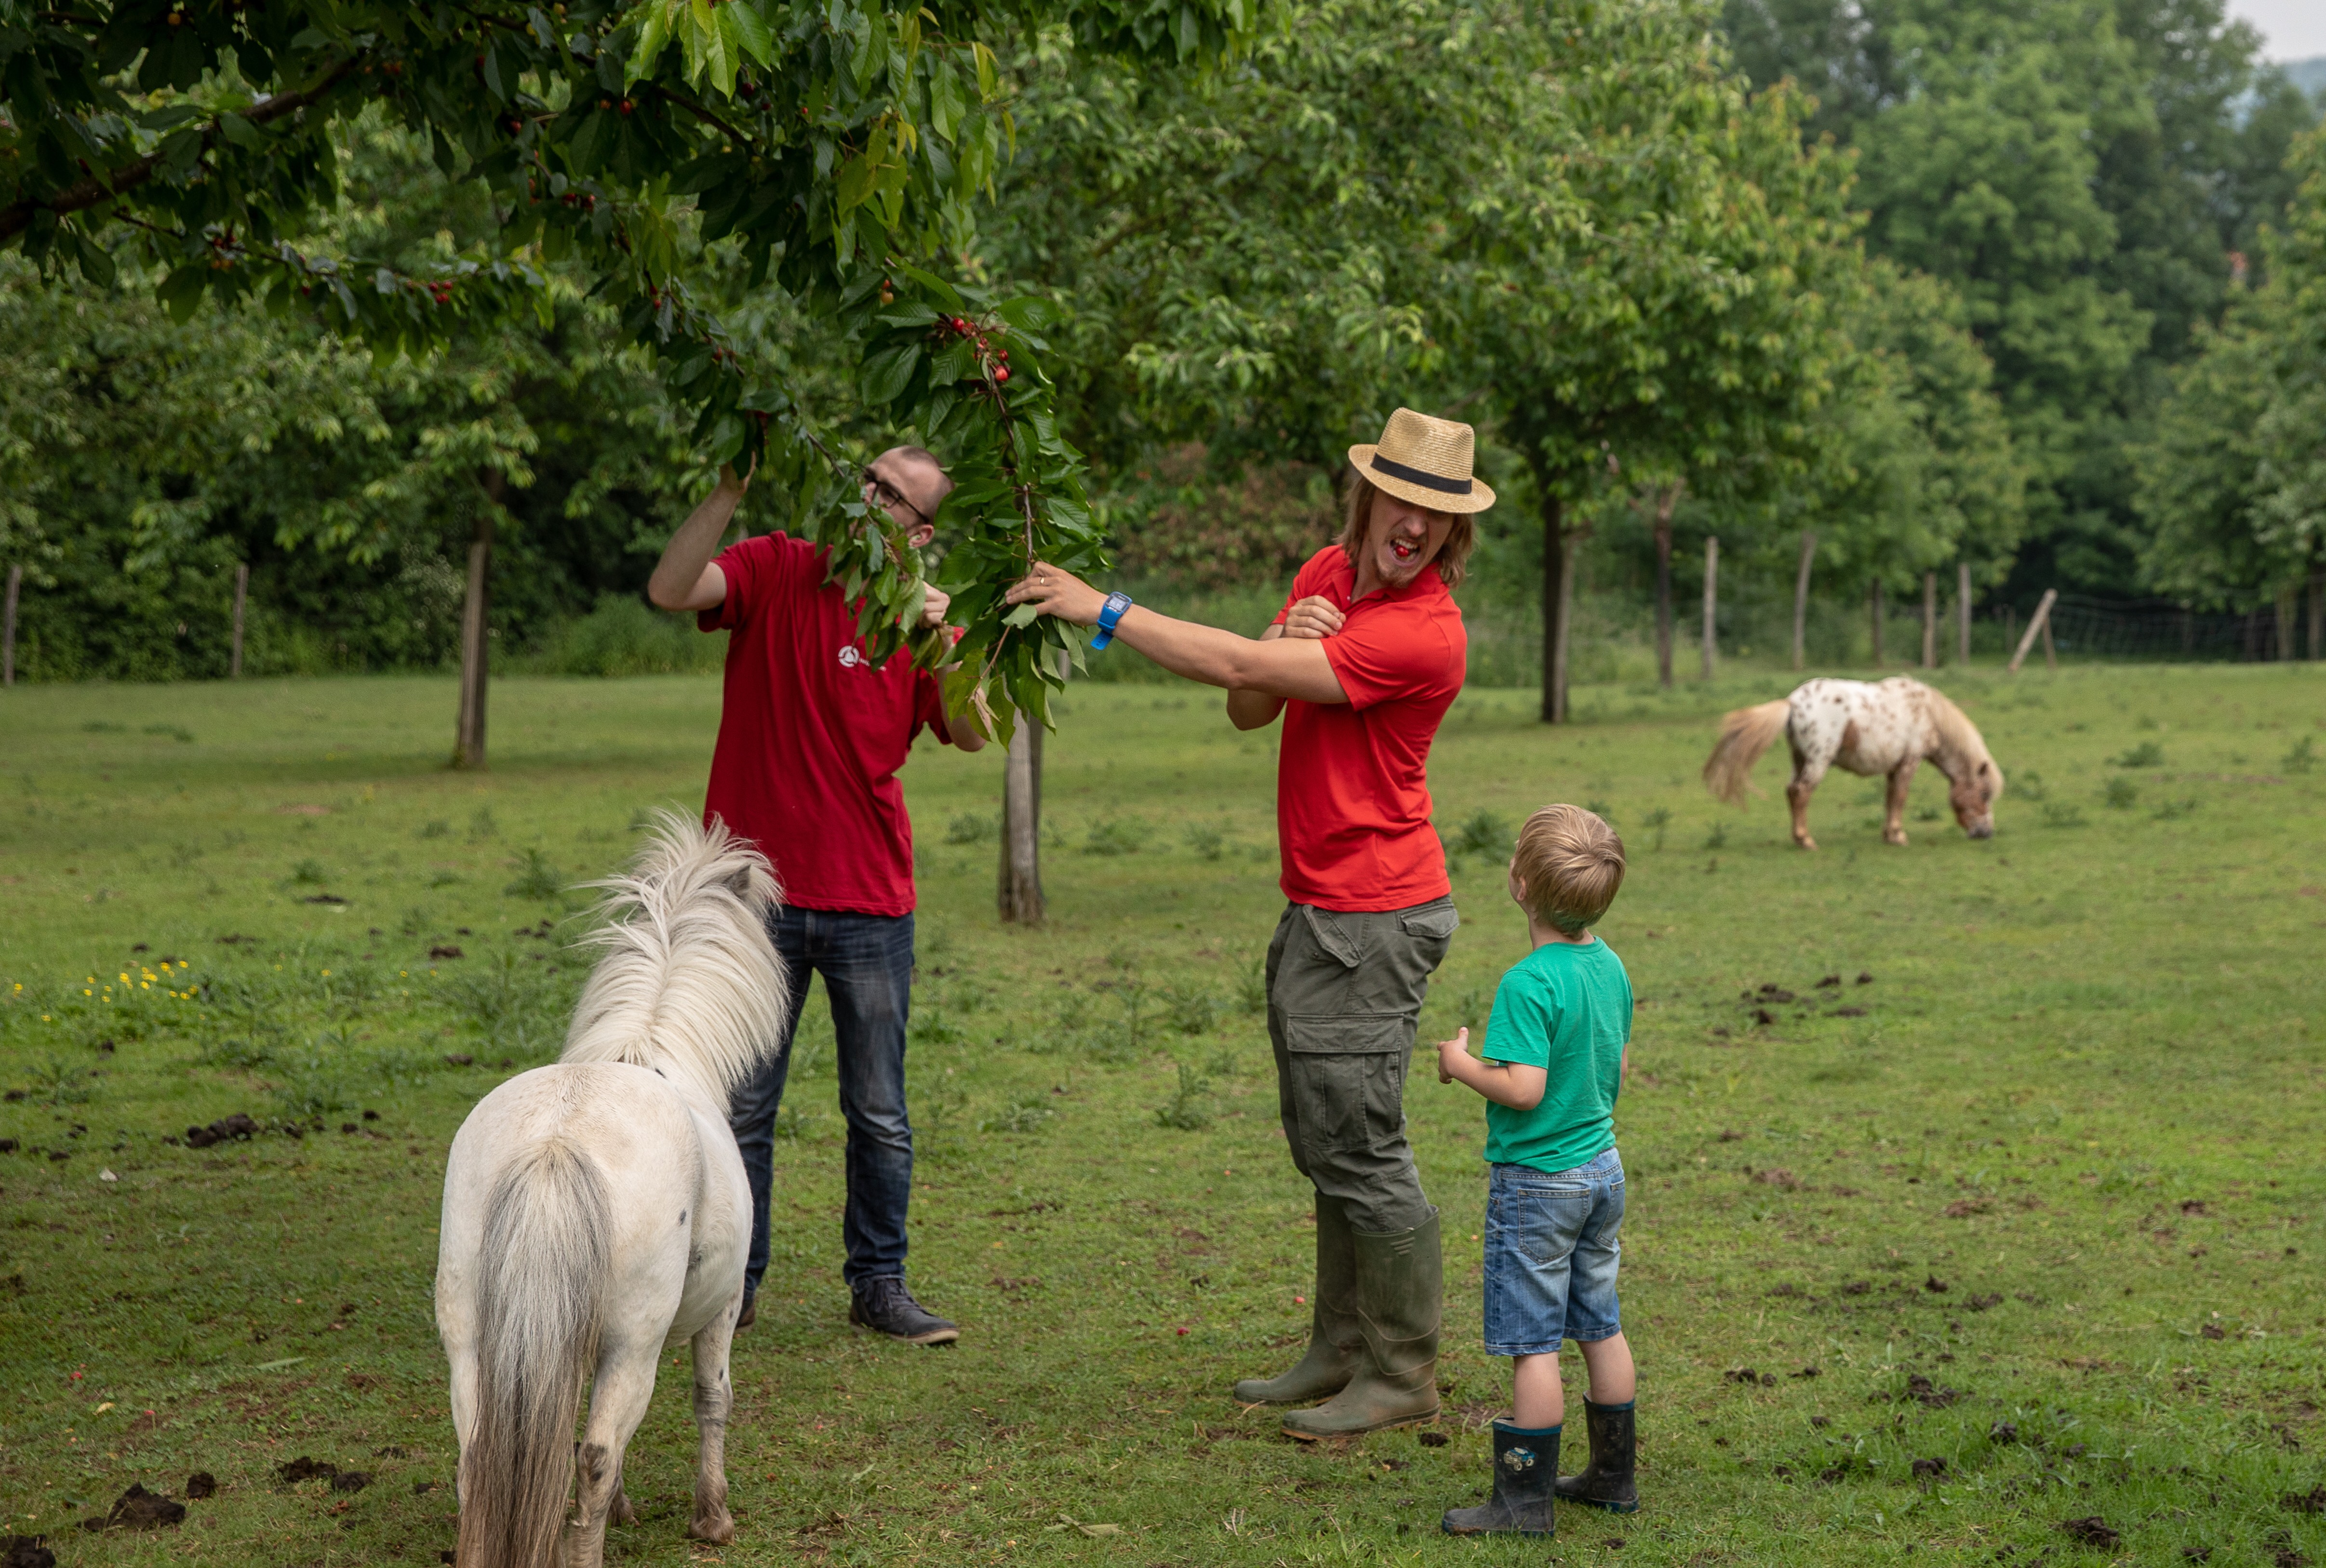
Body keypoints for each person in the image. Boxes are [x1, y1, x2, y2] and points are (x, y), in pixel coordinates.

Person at [1006, 406, 1491, 1437]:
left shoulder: (1423, 633)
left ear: (1453, 536)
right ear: (1366, 497)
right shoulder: (1325, 571)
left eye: (1435, 518)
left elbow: (1229, 671)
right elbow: (1249, 707)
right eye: (1399, 503)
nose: (1411, 528)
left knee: (1360, 1142)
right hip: (1322, 905)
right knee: (1323, 1135)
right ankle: (1342, 1346)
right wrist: (1287, 633)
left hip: (1377, 911)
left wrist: (1103, 610)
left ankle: (1401, 1370)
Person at [647, 447, 985, 1346]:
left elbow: (971, 728)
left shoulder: (914, 620)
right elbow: (672, 589)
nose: (864, 496)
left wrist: (942, 636)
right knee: (742, 1106)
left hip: (870, 900)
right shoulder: (778, 564)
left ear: (919, 532)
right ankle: (731, 1280)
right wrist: (726, 488)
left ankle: (879, 1283)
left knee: (878, 1110)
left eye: (889, 495)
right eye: (865, 477)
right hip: (751, 898)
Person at [1434, 804, 1637, 1538]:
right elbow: (1613, 1066)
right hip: (1601, 1169)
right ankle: (1614, 1476)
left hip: (1538, 1184)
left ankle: (1522, 1503)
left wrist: (1461, 1065)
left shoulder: (1527, 982)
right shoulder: (1608, 963)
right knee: (1599, 1323)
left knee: (1531, 1343)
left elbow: (1521, 1087)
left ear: (1517, 883)